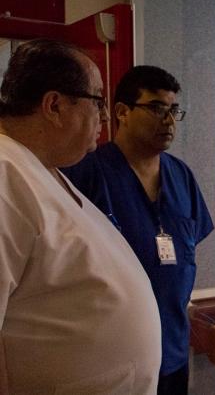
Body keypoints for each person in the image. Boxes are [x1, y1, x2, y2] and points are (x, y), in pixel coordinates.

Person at [0, 39, 161, 393]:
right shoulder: (4, 174)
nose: (105, 116)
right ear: (54, 106)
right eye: (97, 101)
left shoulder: (41, 169)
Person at [62, 65, 214, 395]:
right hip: (111, 359)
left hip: (172, 353)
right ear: (122, 112)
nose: (169, 121)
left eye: (173, 110)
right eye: (157, 108)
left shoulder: (182, 177)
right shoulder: (85, 174)